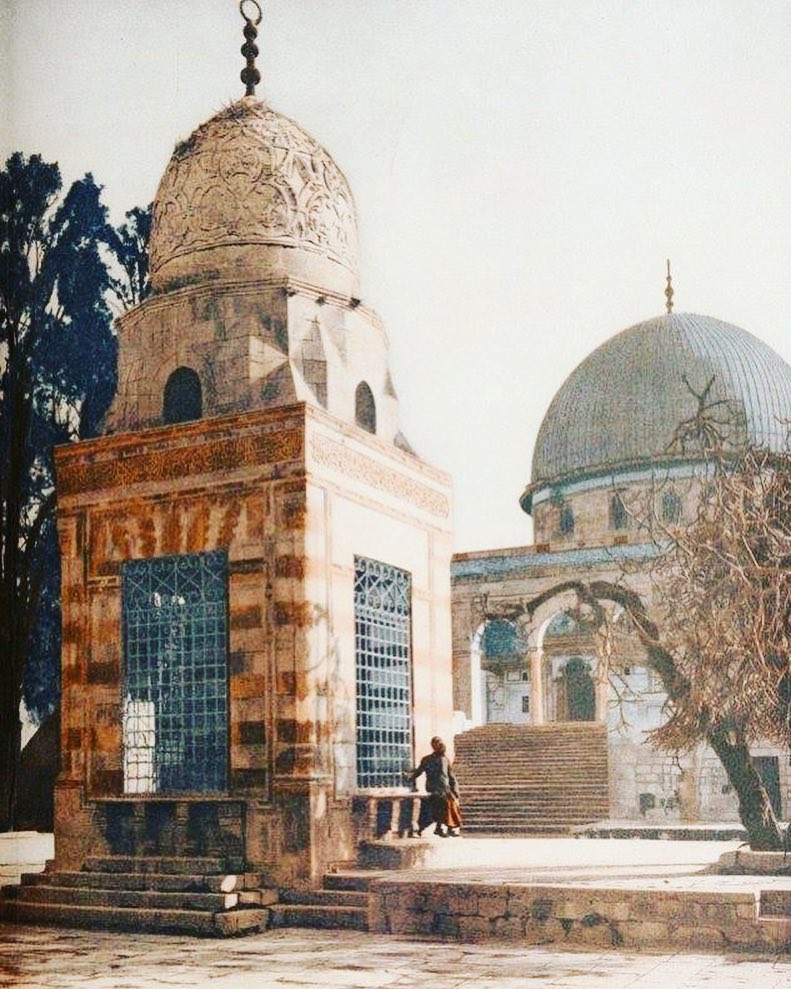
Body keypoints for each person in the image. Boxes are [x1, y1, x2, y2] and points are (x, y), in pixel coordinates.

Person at [406, 736, 462, 837]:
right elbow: (419, 771)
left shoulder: (445, 759)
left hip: (445, 788)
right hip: (434, 788)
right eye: (436, 743)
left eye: (440, 743)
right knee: (443, 806)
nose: (439, 745)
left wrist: (455, 789)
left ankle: (448, 829)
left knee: (452, 805)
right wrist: (409, 777)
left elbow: (451, 776)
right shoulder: (427, 759)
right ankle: (439, 828)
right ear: (433, 745)